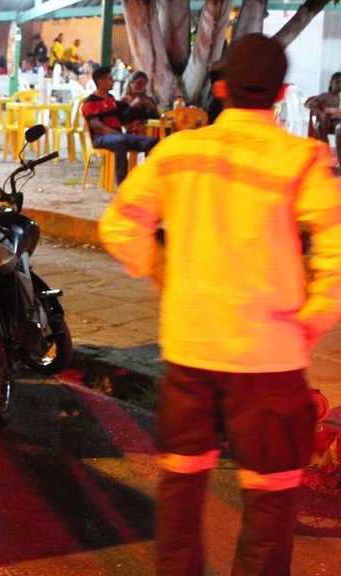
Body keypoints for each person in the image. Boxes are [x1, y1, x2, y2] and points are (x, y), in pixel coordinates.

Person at [99, 33, 341, 575]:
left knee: (182, 494)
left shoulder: (180, 152)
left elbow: (120, 227)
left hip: (191, 349)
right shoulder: (301, 159)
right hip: (270, 357)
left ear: (224, 87)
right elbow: (335, 249)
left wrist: (161, 268)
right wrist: (314, 318)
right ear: (281, 92)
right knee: (270, 501)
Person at [82, 65, 158, 186]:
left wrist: (135, 106)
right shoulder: (90, 101)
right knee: (120, 141)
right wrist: (117, 134)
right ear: (101, 81)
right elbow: (97, 125)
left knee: (152, 142)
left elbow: (123, 119)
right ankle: (122, 184)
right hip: (101, 138)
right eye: (110, 79)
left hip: (117, 136)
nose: (113, 81)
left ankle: (149, 179)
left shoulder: (111, 100)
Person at [305, 72, 341, 162]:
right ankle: (325, 151)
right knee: (321, 123)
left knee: (338, 128)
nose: (339, 85)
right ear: (331, 83)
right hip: (325, 121)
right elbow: (308, 104)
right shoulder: (325, 96)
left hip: (337, 122)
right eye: (336, 82)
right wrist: (320, 112)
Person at [119, 71, 160, 135]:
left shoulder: (149, 99)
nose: (141, 86)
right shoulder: (124, 100)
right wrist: (132, 106)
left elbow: (157, 120)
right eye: (138, 83)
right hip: (133, 134)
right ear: (131, 84)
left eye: (144, 84)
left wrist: (153, 108)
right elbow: (122, 121)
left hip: (151, 132)